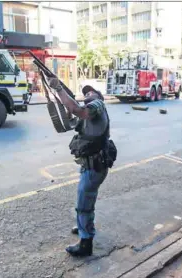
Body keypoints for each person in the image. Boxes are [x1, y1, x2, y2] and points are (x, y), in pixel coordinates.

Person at [47, 79, 111, 257]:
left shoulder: (97, 105)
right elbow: (70, 123)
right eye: (86, 93)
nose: (88, 94)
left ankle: (85, 243)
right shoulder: (90, 114)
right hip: (90, 165)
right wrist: (66, 106)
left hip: (94, 167)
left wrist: (59, 88)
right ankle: (85, 226)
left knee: (83, 204)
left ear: (99, 97)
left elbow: (78, 110)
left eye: (92, 92)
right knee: (87, 201)